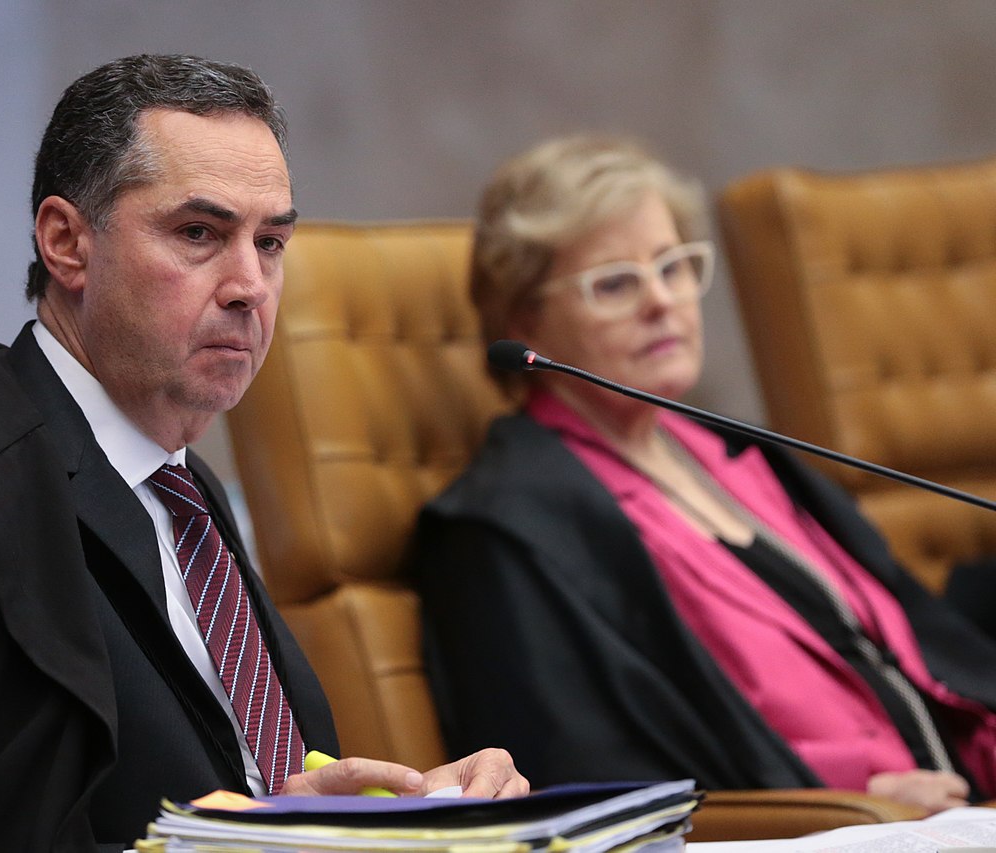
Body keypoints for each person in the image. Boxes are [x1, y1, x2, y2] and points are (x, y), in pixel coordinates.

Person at [0, 54, 526, 853]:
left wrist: (412, 813)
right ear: (66, 243)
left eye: (272, 242)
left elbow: (237, 798)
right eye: (200, 233)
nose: (249, 285)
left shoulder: (180, 489)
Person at [412, 134, 996, 816]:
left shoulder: (735, 452)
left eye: (675, 266)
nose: (662, 301)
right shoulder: (504, 527)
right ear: (523, 318)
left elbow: (909, 650)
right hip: (837, 828)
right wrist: (846, 793)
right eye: (616, 283)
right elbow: (588, 765)